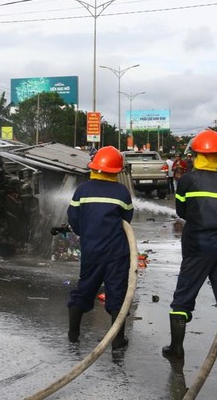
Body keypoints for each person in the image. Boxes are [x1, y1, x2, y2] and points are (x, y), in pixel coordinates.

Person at [163, 130, 217, 367]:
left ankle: (176, 348)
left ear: (197, 154)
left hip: (196, 246)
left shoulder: (187, 180)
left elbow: (181, 211)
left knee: (183, 297)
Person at [66, 146, 133, 350]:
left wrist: (85, 234)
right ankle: (118, 340)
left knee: (85, 288)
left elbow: (73, 218)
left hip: (91, 249)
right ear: (116, 171)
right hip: (117, 252)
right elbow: (127, 219)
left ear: (94, 168)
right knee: (117, 293)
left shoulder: (82, 190)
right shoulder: (122, 192)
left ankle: (73, 333)